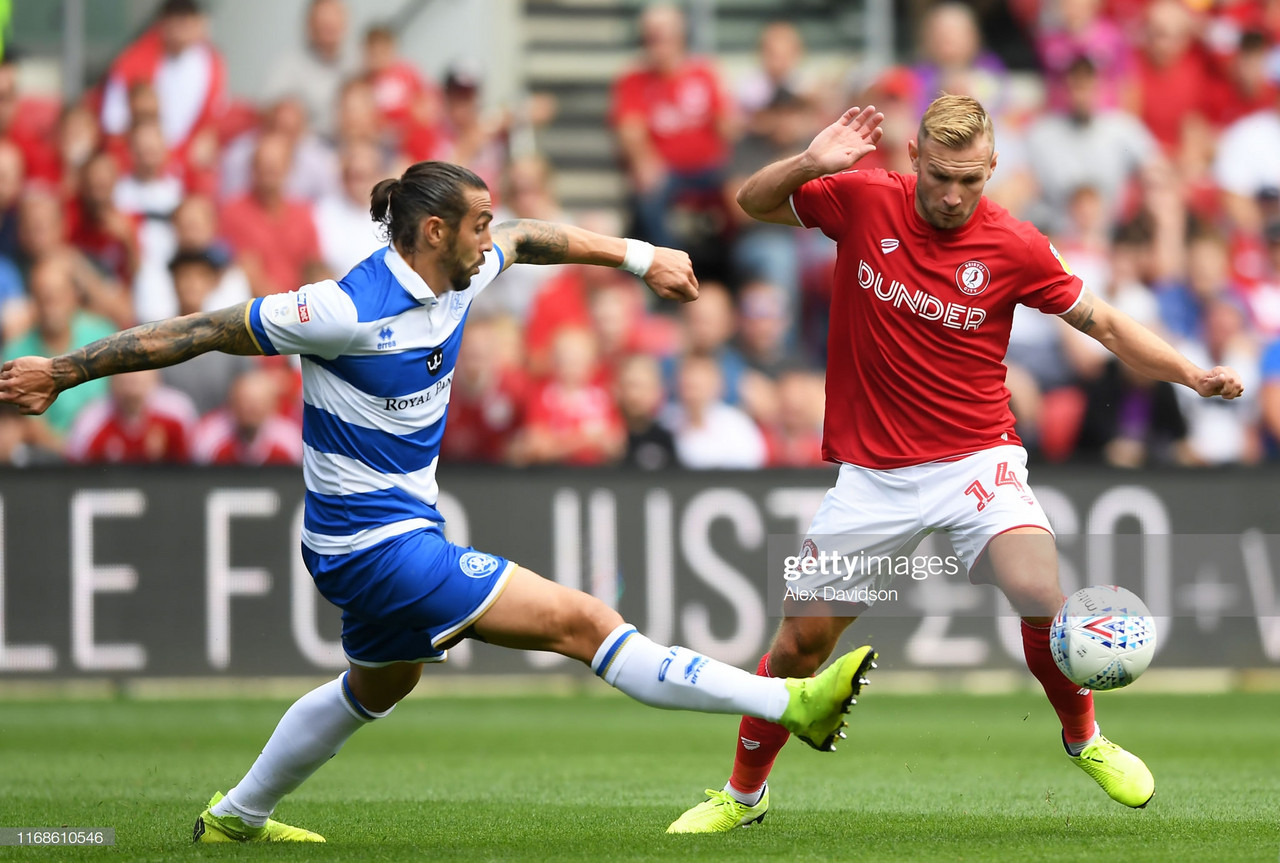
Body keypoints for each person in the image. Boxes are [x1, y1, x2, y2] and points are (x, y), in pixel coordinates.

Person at [0, 160, 874, 843]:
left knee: (378, 685)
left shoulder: (463, 268)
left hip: (386, 534)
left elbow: (529, 237)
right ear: (431, 230)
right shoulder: (339, 307)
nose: (491, 239)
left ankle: (238, 813)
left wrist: (638, 257)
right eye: (478, 223)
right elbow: (192, 334)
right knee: (584, 623)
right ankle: (788, 703)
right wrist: (63, 368)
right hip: (370, 546)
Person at [665, 95, 1245, 834]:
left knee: (1040, 588)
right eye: (940, 175)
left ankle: (1085, 738)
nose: (952, 194)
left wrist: (1189, 373)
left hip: (978, 458)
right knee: (799, 645)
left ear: (993, 169)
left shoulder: (1017, 245)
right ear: (914, 158)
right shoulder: (864, 199)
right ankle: (743, 794)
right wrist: (811, 161)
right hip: (873, 476)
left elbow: (1105, 323)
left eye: (970, 180)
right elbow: (751, 202)